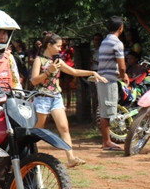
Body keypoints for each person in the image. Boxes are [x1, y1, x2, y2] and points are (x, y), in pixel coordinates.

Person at [31, 31, 107, 166]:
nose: (60, 49)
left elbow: (74, 72)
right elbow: (34, 81)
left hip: (56, 97)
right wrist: (49, 71)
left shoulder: (58, 61)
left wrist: (93, 72)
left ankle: (71, 158)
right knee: (38, 129)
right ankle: (28, 153)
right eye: (58, 46)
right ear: (49, 45)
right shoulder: (39, 60)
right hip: (42, 98)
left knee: (64, 128)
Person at [96, 16, 128, 151]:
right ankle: (107, 142)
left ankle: (106, 141)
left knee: (105, 110)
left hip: (102, 78)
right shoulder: (117, 43)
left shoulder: (105, 41)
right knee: (107, 112)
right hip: (108, 80)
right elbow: (122, 67)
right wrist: (124, 76)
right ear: (121, 28)